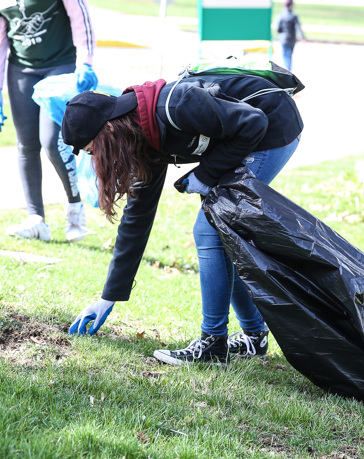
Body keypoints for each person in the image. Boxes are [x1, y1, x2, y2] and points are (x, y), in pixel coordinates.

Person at [61, 73, 304, 365]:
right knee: (220, 234)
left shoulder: (174, 107)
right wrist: (107, 297)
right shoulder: (141, 138)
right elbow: (137, 218)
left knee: (209, 231)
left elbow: (253, 123)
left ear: (109, 131)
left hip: (273, 127)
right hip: (250, 132)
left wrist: (205, 175)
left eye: (94, 149)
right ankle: (254, 338)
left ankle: (212, 344)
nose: (97, 159)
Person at [0, 0, 98, 242]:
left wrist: (85, 61)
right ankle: (36, 219)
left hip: (61, 64)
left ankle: (75, 210)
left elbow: (80, 17)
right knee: (27, 144)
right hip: (22, 69)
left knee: (53, 141)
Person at [275, 0, 306, 71]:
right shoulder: (294, 16)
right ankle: (288, 68)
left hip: (283, 38)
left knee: (285, 54)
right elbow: (298, 27)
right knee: (289, 54)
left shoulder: (280, 15)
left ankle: (286, 67)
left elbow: (277, 28)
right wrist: (302, 37)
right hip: (292, 38)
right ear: (291, 6)